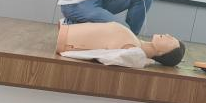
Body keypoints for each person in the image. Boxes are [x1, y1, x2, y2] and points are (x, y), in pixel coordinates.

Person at [56, 21, 186, 67]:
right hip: (66, 31)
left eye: (170, 40)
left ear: (162, 53)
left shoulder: (134, 51)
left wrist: (146, 61)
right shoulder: (135, 44)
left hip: (66, 41)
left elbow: (121, 59)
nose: (168, 35)